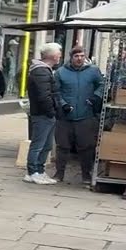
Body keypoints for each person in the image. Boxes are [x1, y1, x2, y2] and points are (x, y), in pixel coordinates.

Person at [53, 45, 107, 185]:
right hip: (65, 117)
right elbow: (56, 92)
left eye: (82, 56)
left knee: (86, 147)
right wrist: (63, 104)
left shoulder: (93, 71)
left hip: (85, 115)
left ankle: (86, 175)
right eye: (76, 56)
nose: (79, 59)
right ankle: (59, 173)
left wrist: (95, 97)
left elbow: (102, 85)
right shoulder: (61, 72)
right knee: (62, 146)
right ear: (71, 57)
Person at [24, 42, 62, 185]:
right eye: (58, 53)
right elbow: (44, 95)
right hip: (42, 114)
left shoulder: (44, 70)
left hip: (45, 114)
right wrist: (51, 111)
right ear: (52, 55)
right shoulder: (41, 71)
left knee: (46, 145)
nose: (60, 56)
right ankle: (33, 171)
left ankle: (39, 170)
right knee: (38, 144)